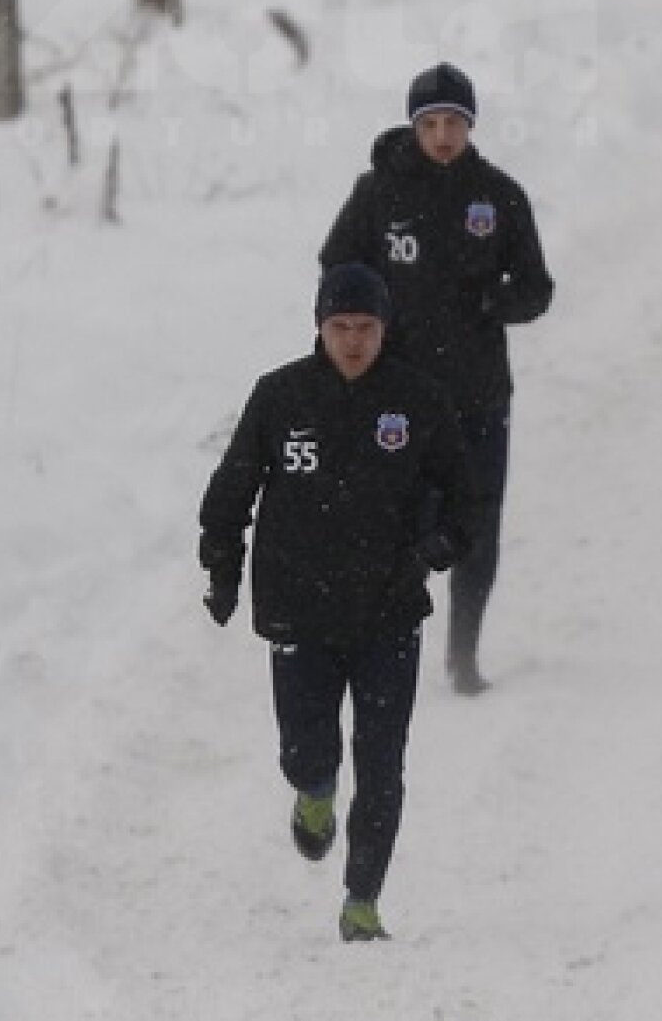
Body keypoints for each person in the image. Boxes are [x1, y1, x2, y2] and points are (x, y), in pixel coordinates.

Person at [199, 262, 475, 944]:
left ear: (386, 329)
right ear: (320, 326)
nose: (353, 341)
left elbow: (466, 502)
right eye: (340, 326)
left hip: (389, 611)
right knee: (306, 749)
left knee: (383, 760)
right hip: (301, 608)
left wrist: (434, 549)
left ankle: (362, 900)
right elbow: (232, 490)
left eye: (367, 327)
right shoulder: (280, 396)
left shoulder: (419, 401)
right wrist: (224, 567)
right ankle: (315, 789)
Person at [319, 64, 554, 696]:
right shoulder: (377, 194)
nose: (443, 134)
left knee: (476, 524)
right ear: (413, 125)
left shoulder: (498, 196)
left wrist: (492, 303)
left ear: (471, 126)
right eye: (431, 122)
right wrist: (368, 326)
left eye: (455, 122)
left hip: (479, 395)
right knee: (400, 524)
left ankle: (464, 652)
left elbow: (536, 290)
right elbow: (335, 268)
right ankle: (385, 651)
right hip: (400, 395)